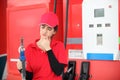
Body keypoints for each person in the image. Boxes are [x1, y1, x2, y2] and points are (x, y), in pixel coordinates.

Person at [17, 12, 68, 80]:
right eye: (43, 27)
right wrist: (21, 69)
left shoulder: (59, 46)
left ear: (54, 31)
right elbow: (29, 77)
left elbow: (58, 71)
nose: (44, 32)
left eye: (49, 29)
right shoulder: (30, 48)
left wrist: (48, 49)